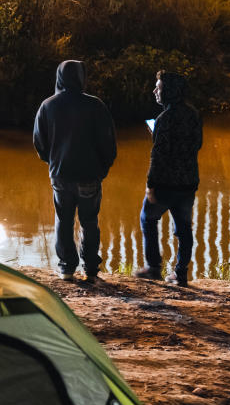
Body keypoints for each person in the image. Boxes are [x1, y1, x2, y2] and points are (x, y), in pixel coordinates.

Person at [33, 60, 117, 282]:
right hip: (89, 175)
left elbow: (39, 143)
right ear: (81, 77)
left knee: (63, 219)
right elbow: (108, 144)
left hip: (60, 174)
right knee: (89, 221)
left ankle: (66, 268)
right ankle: (90, 268)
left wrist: (52, 162)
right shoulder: (96, 105)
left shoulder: (47, 106)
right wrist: (102, 169)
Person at [135, 71, 203, 287]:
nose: (155, 91)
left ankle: (153, 267)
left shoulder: (164, 119)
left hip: (165, 184)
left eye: (159, 87)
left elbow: (158, 155)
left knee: (148, 218)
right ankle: (180, 273)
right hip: (188, 182)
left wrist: (150, 185)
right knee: (184, 228)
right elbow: (197, 145)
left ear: (170, 91)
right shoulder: (194, 115)